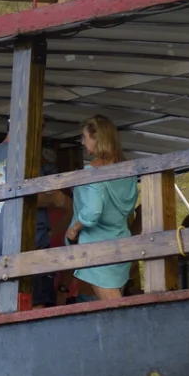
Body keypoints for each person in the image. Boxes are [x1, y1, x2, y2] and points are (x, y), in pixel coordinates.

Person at [64, 115, 138, 301]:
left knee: (114, 309)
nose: (82, 142)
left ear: (97, 139)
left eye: (85, 137)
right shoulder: (127, 169)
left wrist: (73, 230)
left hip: (97, 246)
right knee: (114, 302)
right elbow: (130, 207)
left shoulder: (93, 171)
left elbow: (92, 212)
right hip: (121, 240)